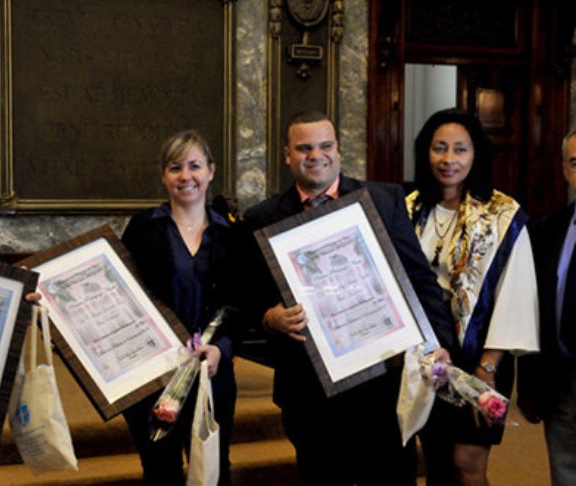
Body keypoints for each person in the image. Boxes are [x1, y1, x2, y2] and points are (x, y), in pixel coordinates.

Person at [242, 110, 457, 485]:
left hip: (384, 382)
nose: (316, 155)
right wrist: (268, 317)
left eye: (325, 145)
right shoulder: (262, 217)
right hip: (310, 392)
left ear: (338, 151)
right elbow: (245, 294)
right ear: (287, 155)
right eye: (304, 148)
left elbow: (420, 280)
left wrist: (437, 340)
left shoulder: (384, 199)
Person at [406, 108, 539, 486]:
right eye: (439, 149)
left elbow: (515, 293)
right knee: (435, 458)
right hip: (426, 357)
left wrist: (489, 367)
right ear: (426, 153)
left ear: (476, 154)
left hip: (479, 355)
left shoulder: (502, 214)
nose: (449, 160)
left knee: (467, 462)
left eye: (460, 150)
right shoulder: (409, 209)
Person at [120, 130, 248, 485]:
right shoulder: (143, 229)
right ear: (163, 175)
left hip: (213, 375)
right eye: (175, 167)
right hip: (153, 377)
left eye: (195, 166)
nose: (186, 176)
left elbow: (242, 303)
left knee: (213, 470)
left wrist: (223, 348)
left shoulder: (233, 234)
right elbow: (122, 298)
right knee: (160, 472)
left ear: (211, 171)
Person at [518, 124, 576, 486]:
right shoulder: (544, 232)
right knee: (569, 474)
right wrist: (530, 386)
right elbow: (532, 313)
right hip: (562, 380)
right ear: (565, 170)